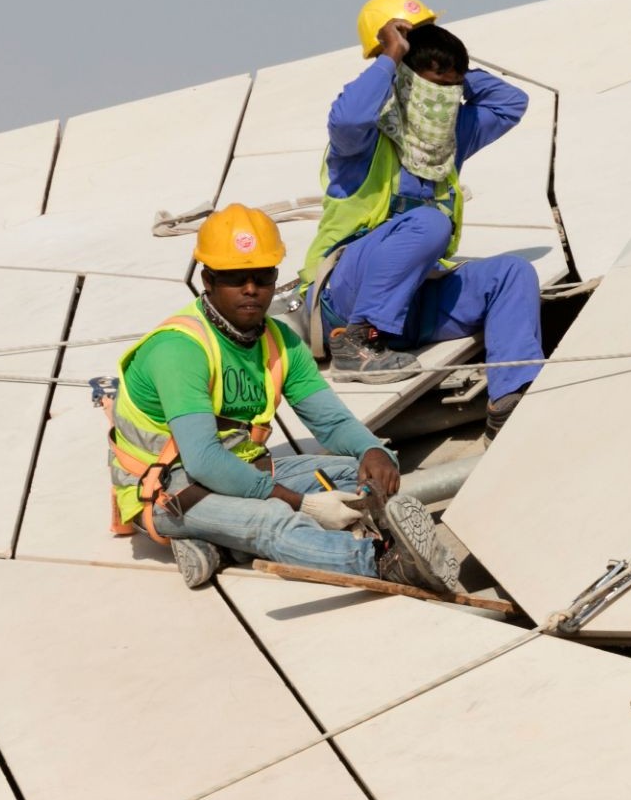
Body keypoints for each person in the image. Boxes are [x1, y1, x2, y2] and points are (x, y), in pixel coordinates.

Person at [108, 204, 470, 594]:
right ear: (208, 280)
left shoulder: (281, 342)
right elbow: (204, 461)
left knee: (362, 472)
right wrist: (300, 503)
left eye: (262, 276)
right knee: (272, 519)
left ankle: (220, 544)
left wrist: (371, 451)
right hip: (168, 487)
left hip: (241, 467)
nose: (251, 289)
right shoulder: (180, 349)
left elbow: (330, 423)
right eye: (235, 278)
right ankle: (386, 563)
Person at [301, 0, 547, 427]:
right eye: (433, 86)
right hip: (346, 295)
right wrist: (390, 61)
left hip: (410, 304)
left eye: (453, 89)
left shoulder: (448, 138)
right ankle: (358, 345)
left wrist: (449, 63)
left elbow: (511, 104)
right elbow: (346, 119)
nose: (445, 99)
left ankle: (511, 396)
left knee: (512, 274)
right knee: (429, 222)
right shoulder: (363, 144)